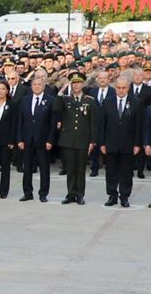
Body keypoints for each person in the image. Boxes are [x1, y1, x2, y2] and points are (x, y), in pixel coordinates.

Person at [55, 77, 97, 206]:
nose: (76, 85)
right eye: (73, 83)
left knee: (80, 169)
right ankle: (70, 194)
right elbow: (55, 108)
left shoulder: (89, 101)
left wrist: (93, 141)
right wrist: (61, 91)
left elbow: (93, 122)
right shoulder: (66, 99)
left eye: (78, 83)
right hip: (68, 139)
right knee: (70, 169)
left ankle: (80, 194)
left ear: (83, 84)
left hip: (83, 139)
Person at [17, 73, 57, 202]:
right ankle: (27, 192)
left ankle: (43, 193)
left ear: (44, 86)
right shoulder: (25, 100)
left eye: (39, 84)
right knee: (27, 168)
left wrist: (50, 140)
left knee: (44, 168)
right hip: (27, 139)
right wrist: (20, 139)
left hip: (43, 140)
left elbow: (53, 123)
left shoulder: (51, 100)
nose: (37, 86)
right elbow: (20, 122)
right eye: (34, 84)